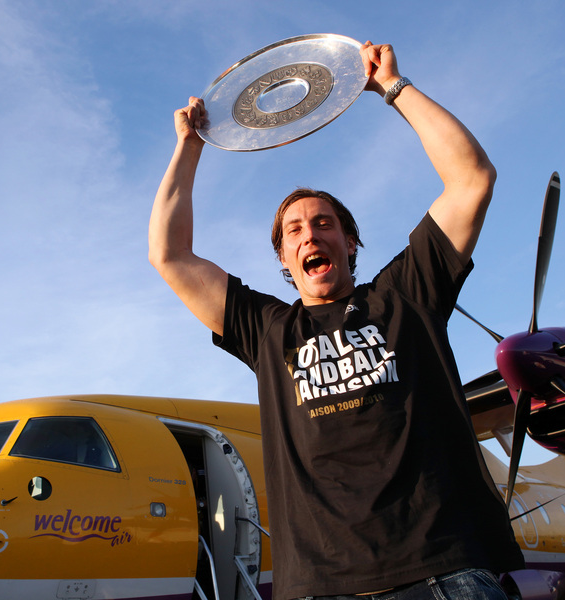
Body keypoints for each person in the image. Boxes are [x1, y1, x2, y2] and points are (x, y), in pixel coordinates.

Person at [149, 40, 524, 600]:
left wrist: (392, 87)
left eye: (324, 223)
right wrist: (189, 147)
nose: (310, 234)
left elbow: (472, 178)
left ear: (350, 242)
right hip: (320, 586)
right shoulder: (266, 329)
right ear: (284, 258)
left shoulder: (407, 295)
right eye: (294, 230)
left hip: (445, 573)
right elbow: (170, 256)